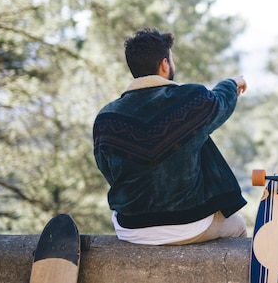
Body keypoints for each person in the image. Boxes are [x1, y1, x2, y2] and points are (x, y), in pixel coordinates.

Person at [93, 27, 248, 245]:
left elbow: (109, 171)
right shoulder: (190, 100)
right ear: (165, 64)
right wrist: (233, 83)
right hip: (189, 223)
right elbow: (219, 102)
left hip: (131, 228)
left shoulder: (106, 118)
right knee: (238, 227)